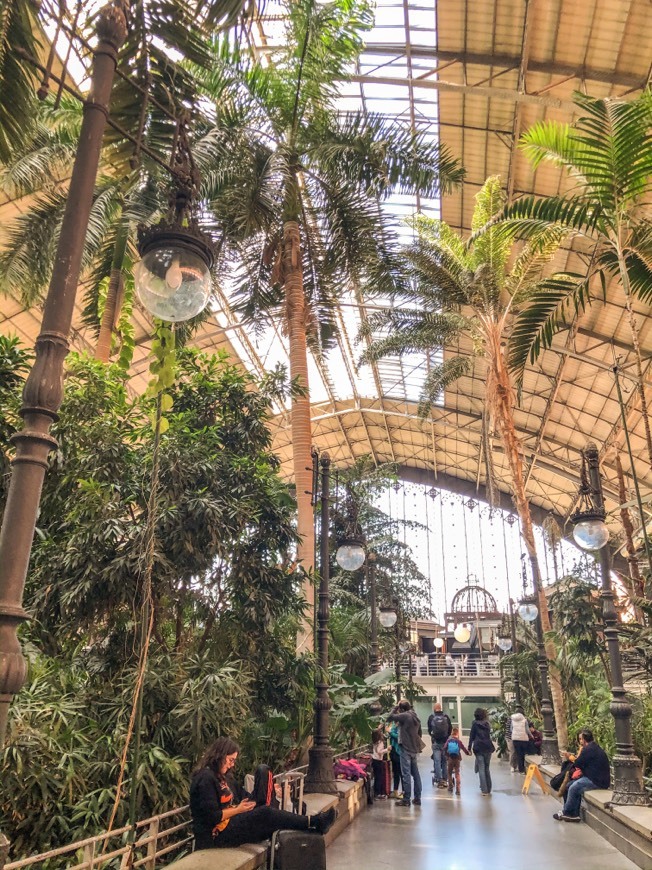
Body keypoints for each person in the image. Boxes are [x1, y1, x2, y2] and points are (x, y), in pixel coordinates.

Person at [189, 737, 337, 849]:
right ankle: (314, 822)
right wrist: (238, 809)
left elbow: (243, 795)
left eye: (234, 761)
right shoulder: (205, 778)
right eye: (230, 760)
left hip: (232, 821)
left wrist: (266, 793)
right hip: (216, 835)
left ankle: (299, 817)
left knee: (263, 769)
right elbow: (212, 817)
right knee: (266, 814)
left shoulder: (224, 777)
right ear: (219, 755)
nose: (231, 764)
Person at [553, 729, 611, 823]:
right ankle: (573, 813)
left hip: (597, 781)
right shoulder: (592, 748)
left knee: (574, 787)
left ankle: (568, 813)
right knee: (568, 786)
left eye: (580, 739)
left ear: (584, 739)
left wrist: (570, 756)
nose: (580, 741)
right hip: (591, 777)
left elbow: (578, 763)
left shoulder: (589, 749)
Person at [386, 699, 423, 807]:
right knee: (415, 774)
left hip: (405, 749)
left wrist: (395, 707)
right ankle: (417, 798)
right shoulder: (415, 716)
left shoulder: (405, 716)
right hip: (414, 749)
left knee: (406, 774)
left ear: (401, 709)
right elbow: (419, 733)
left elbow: (389, 717)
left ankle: (406, 799)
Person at [468, 707, 495, 796]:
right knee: (487, 768)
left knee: (481, 769)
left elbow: (472, 736)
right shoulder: (487, 724)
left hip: (478, 748)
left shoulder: (474, 724)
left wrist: (469, 748)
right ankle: (489, 788)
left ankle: (484, 790)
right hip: (488, 747)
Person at [427, 702, 452, 788]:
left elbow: (429, 730)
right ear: (440, 708)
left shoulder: (431, 717)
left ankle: (439, 779)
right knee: (444, 761)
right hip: (445, 742)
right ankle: (445, 779)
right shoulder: (446, 717)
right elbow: (450, 729)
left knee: (437, 761)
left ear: (434, 708)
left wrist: (433, 737)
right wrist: (446, 737)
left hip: (436, 742)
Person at [509, 705, 536, 774]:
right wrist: (531, 736)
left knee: (518, 754)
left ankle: (520, 770)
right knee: (523, 754)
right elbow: (527, 730)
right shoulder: (525, 720)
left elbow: (511, 729)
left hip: (515, 739)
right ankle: (522, 769)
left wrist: (515, 733)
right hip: (523, 739)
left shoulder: (513, 720)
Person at [444, 726, 471, 795]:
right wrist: (468, 753)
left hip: (450, 759)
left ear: (452, 733)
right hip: (457, 759)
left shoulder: (448, 740)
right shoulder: (458, 741)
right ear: (457, 733)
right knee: (457, 774)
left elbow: (444, 748)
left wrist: (447, 756)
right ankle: (458, 790)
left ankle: (450, 787)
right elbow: (464, 749)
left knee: (449, 773)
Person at [371, 727, 390, 799]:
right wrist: (387, 749)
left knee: (376, 777)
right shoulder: (380, 742)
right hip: (378, 761)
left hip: (374, 759)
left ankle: (376, 792)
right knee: (379, 777)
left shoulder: (375, 741)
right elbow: (379, 751)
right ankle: (378, 793)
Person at [387, 721, 403, 799]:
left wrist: (390, 732)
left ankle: (404, 792)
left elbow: (399, 737)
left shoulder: (402, 725)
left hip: (399, 751)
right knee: (395, 772)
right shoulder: (394, 724)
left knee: (401, 773)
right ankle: (395, 791)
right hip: (394, 750)